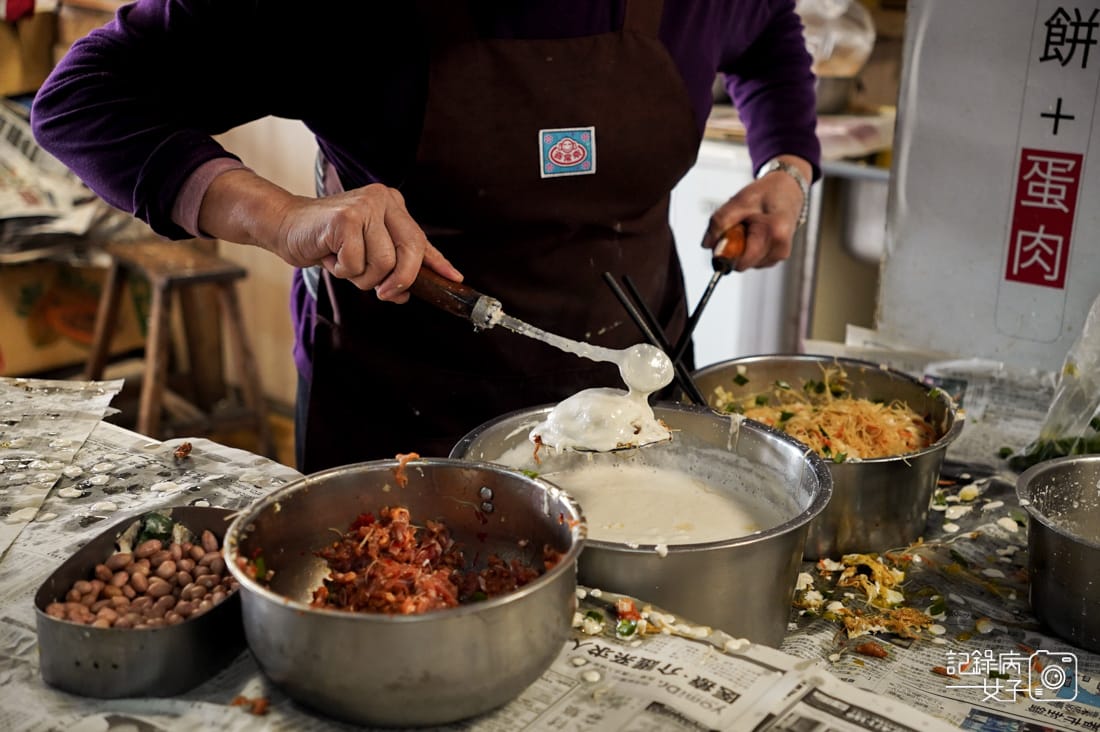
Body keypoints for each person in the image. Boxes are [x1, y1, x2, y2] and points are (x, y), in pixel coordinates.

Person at [31, 0, 821, 472]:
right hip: (403, 409)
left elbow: (767, 34)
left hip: (639, 384)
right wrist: (278, 216)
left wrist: (786, 165)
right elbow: (85, 99)